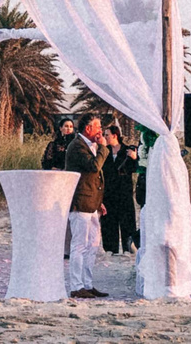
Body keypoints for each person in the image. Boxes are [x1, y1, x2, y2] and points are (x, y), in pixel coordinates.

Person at [63, 114, 108, 297]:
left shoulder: (90, 145)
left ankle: (88, 284)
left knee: (93, 245)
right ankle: (76, 286)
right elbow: (93, 167)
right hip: (80, 202)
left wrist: (99, 201)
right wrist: (104, 148)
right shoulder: (77, 146)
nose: (100, 130)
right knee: (79, 245)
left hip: (92, 202)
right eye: (97, 127)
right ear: (88, 129)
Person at [98, 126, 140, 253]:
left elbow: (135, 168)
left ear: (115, 135)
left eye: (107, 135)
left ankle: (129, 249)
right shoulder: (104, 152)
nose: (105, 137)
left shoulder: (128, 150)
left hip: (124, 193)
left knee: (127, 224)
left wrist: (134, 158)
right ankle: (111, 250)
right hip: (108, 194)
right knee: (109, 225)